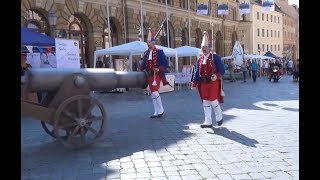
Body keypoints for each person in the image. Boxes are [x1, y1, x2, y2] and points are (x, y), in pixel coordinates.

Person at [191, 31, 225, 128]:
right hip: (203, 83)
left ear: (209, 48)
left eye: (205, 47)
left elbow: (222, 71)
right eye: (202, 48)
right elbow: (197, 72)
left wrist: (217, 76)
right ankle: (208, 121)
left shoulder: (216, 58)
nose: (204, 49)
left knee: (213, 100)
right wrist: (194, 83)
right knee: (205, 101)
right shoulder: (199, 60)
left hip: (213, 82)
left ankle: (219, 116)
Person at [140, 28, 170, 118]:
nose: (148, 45)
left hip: (157, 75)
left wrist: (159, 68)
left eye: (149, 43)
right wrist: (141, 69)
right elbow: (144, 64)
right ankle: (156, 111)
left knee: (154, 92)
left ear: (153, 43)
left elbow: (165, 64)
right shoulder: (146, 53)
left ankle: (161, 109)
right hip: (148, 75)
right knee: (153, 93)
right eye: (147, 43)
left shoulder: (160, 52)